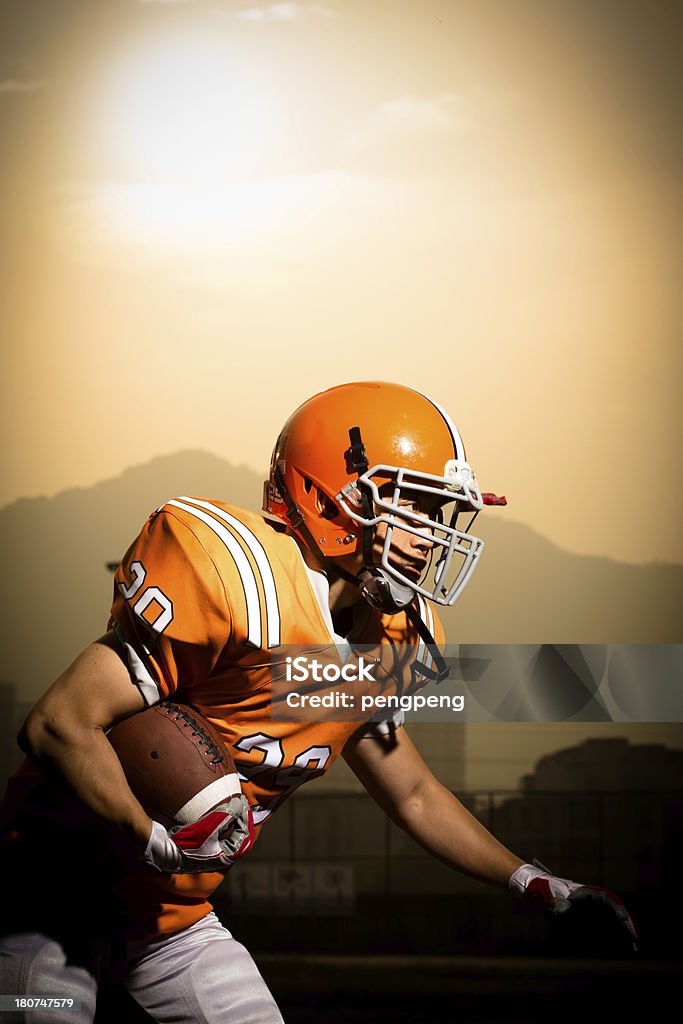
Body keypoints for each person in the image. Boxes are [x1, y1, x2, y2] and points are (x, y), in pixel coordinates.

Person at [0, 381, 636, 1023]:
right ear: (332, 494)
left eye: (438, 514)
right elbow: (59, 722)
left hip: (170, 921)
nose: (431, 537)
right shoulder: (237, 582)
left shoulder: (382, 635)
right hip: (46, 894)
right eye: (413, 507)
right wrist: (151, 838)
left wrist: (532, 881)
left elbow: (413, 792)